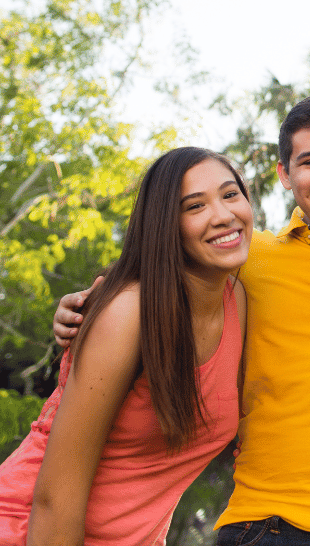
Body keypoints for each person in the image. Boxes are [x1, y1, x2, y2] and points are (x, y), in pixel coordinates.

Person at [55, 93, 310, 546]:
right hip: (261, 522)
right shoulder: (245, 261)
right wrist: (79, 305)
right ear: (284, 175)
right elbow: (156, 273)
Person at [0, 147, 251, 546]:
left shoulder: (235, 297)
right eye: (195, 206)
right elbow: (54, 499)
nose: (222, 215)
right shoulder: (129, 314)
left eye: (230, 195)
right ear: (165, 225)